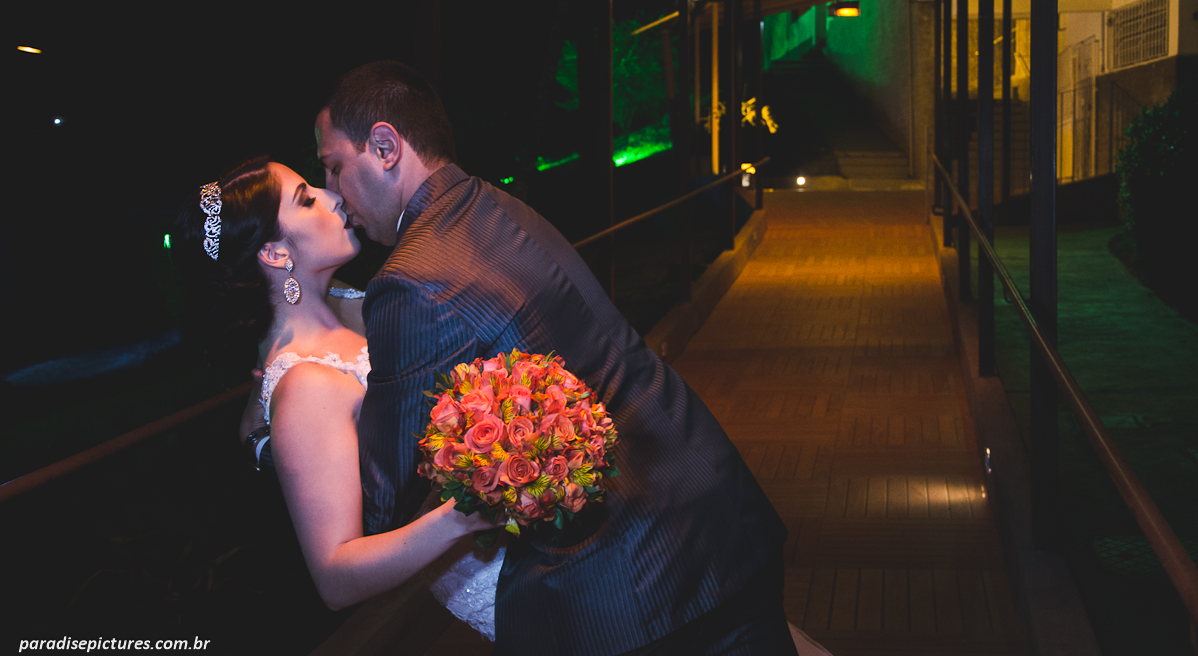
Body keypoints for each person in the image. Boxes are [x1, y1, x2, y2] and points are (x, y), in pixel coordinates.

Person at [316, 60, 799, 656]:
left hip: (632, 585)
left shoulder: (409, 279)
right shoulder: (496, 205)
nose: (336, 193)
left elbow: (384, 498)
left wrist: (295, 407)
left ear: (385, 147)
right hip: (717, 506)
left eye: (335, 166)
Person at [171, 157, 501, 630]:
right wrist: (464, 515)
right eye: (307, 199)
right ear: (275, 253)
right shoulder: (305, 387)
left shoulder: (347, 306)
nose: (334, 197)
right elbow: (335, 580)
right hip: (487, 566)